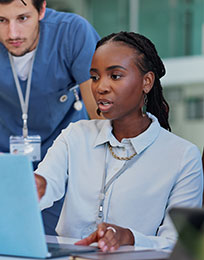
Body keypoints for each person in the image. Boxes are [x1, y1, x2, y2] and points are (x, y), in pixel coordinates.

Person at [0, 0, 100, 235]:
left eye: (23, 18)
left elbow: (101, 118)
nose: (12, 33)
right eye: (1, 20)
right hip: (4, 171)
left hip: (65, 171)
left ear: (42, 9)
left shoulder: (73, 32)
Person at [34, 31, 203, 251]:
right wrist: (33, 187)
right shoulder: (75, 135)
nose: (100, 87)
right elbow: (44, 186)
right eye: (95, 77)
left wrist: (129, 237)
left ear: (147, 81)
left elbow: (178, 244)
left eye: (115, 76)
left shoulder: (182, 156)